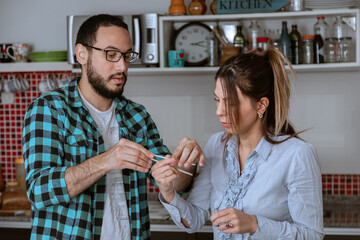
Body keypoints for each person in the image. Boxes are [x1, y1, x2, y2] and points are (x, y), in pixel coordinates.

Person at [22, 14, 204, 240]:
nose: (122, 66)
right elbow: (39, 190)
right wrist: (106, 161)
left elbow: (175, 184)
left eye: (127, 56)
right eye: (111, 54)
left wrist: (187, 163)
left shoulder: (136, 115)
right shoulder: (50, 109)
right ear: (82, 54)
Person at [152, 47, 324, 240]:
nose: (219, 111)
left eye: (230, 102)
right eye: (217, 100)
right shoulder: (216, 144)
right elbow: (194, 220)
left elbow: (312, 235)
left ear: (261, 105)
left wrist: (254, 224)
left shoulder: (298, 154)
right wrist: (167, 192)